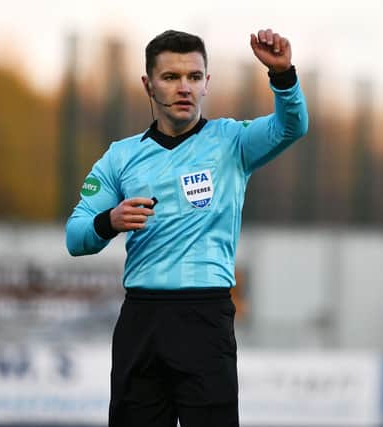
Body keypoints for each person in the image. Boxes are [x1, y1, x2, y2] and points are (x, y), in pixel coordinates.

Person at [66, 28, 308, 427]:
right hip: (141, 319)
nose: (184, 88)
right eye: (171, 77)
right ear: (148, 84)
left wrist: (283, 76)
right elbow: (75, 237)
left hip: (204, 317)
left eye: (194, 77)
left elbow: (291, 127)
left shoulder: (233, 142)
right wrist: (109, 221)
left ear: (207, 83)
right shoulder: (120, 157)